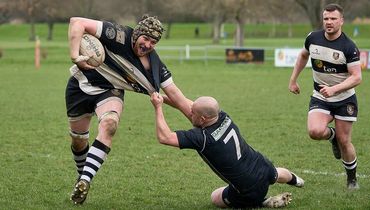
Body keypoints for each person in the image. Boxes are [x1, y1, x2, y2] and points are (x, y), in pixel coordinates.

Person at [66, 15, 193, 204]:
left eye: (153, 42)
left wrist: (200, 118)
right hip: (80, 86)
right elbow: (76, 22)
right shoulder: (118, 35)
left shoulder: (155, 69)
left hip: (110, 92)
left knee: (109, 125)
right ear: (137, 34)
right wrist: (75, 56)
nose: (148, 45)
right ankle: (81, 176)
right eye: (146, 38)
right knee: (78, 141)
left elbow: (176, 96)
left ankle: (85, 180)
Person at [150, 94, 304, 209]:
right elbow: (185, 104)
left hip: (248, 189)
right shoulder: (223, 116)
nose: (190, 113)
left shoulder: (202, 138)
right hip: (263, 165)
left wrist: (158, 107)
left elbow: (165, 137)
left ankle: (264, 201)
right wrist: (161, 98)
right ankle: (297, 181)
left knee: (215, 197)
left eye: (193, 113)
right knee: (276, 173)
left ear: (203, 119)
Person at [288, 3, 362, 190]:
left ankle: (352, 179)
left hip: (344, 99)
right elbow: (303, 56)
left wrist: (335, 89)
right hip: (321, 96)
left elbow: (357, 77)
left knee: (345, 143)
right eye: (326, 19)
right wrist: (293, 80)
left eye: (333, 19)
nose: (329, 22)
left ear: (341, 21)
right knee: (314, 132)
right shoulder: (312, 38)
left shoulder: (349, 47)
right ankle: (332, 136)